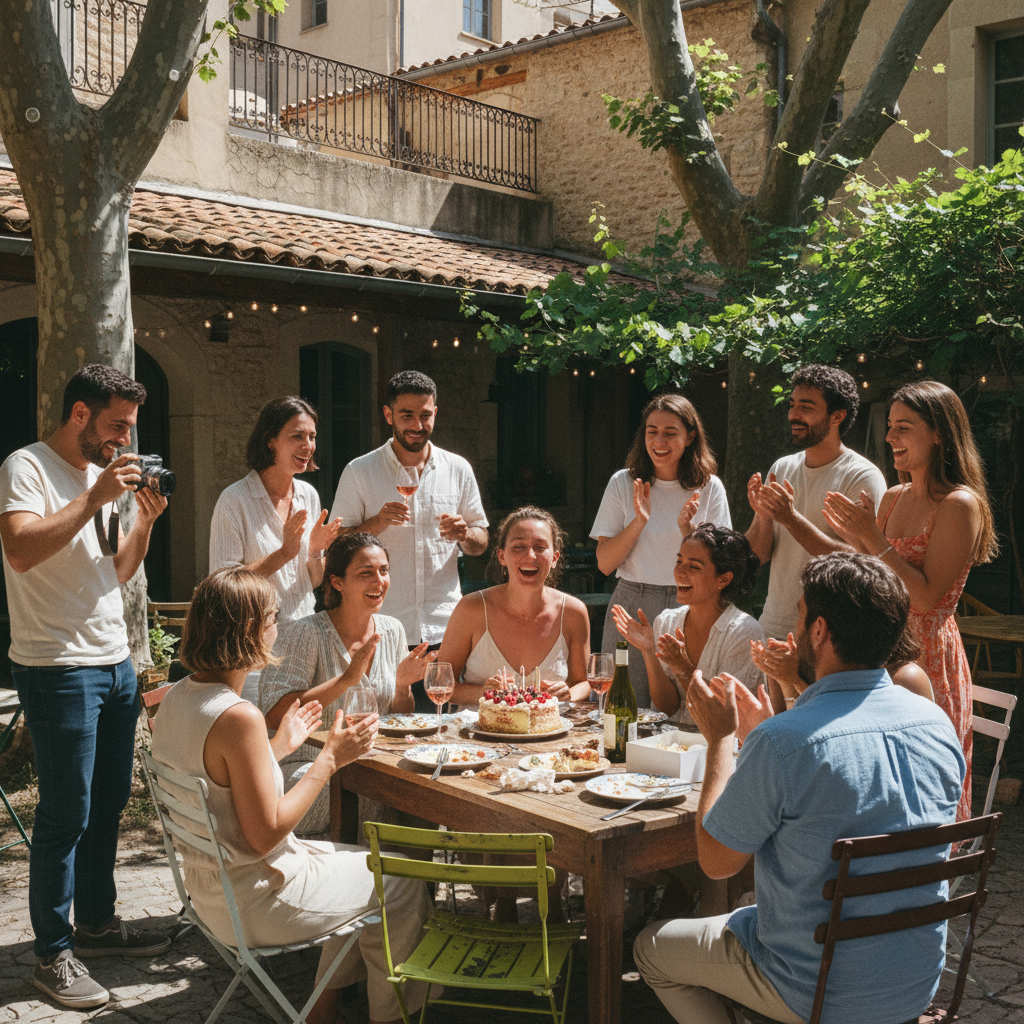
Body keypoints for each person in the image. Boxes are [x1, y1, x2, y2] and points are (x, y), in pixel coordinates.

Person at [634, 553, 965, 1024]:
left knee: (649, 948)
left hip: (815, 988)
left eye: (801, 613)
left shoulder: (785, 741)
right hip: (913, 982)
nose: (796, 624)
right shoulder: (935, 722)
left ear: (819, 630)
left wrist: (721, 738)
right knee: (749, 910)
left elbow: (716, 862)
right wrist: (767, 736)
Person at [151, 567, 433, 1024]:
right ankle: (391, 1017)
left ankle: (321, 1011)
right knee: (403, 882)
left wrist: (279, 746)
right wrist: (329, 760)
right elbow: (265, 836)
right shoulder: (238, 717)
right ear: (250, 630)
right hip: (257, 899)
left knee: (366, 867)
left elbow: (223, 776)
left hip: (210, 893)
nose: (277, 628)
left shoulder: (179, 697)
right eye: (272, 618)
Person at [0, 364, 171, 1009]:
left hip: (114, 662)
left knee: (107, 803)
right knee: (65, 813)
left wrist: (143, 521)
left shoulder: (104, 477)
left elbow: (116, 571)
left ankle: (96, 925)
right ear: (79, 414)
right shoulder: (27, 468)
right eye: (116, 426)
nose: (124, 440)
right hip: (57, 667)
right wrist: (96, 498)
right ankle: (52, 955)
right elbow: (20, 550)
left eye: (129, 428)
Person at [822, 380, 997, 823]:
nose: (890, 437)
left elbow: (925, 596)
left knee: (921, 789)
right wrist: (855, 541)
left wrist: (871, 536)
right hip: (878, 654)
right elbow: (876, 577)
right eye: (890, 426)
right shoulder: (893, 497)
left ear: (938, 433)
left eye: (903, 427)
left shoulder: (960, 504)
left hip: (928, 657)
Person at [330, 371, 488, 710]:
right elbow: (335, 545)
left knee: (442, 726)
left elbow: (481, 541)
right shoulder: (360, 471)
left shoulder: (457, 469)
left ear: (435, 413)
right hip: (382, 629)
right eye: (407, 415)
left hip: (446, 629)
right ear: (388, 415)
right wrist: (374, 524)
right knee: (384, 726)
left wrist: (465, 534)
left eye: (425, 415)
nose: (417, 425)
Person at [258, 532, 435, 834]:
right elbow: (274, 716)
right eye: (366, 573)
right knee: (391, 794)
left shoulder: (392, 630)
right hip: (306, 769)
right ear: (337, 582)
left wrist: (402, 685)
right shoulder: (305, 633)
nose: (379, 581)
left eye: (384, 570)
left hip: (370, 765)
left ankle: (414, 867)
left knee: (426, 789)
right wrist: (345, 680)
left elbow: (397, 718)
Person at [591, 393, 730, 707]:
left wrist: (688, 531)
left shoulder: (709, 487)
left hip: (691, 605)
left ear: (690, 437)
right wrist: (639, 520)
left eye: (670, 432)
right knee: (624, 707)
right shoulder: (623, 482)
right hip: (633, 603)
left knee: (690, 708)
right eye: (652, 431)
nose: (659, 441)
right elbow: (604, 563)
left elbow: (720, 564)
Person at [747, 364, 887, 643]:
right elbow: (758, 555)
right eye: (792, 405)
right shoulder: (782, 468)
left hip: (827, 638)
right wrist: (763, 515)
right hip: (772, 627)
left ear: (837, 416)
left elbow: (864, 564)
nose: (793, 415)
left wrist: (790, 519)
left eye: (806, 407)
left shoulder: (862, 476)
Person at [209, 396, 342, 628]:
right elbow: (224, 587)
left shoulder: (308, 495)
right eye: (297, 436)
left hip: (305, 631)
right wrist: (284, 554)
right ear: (270, 440)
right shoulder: (234, 499)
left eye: (312, 437)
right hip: (257, 636)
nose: (308, 446)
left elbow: (312, 582)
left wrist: (314, 551)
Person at [612, 525, 764, 726]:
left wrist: (682, 667)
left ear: (724, 580)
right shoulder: (666, 621)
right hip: (670, 740)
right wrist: (648, 651)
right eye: (679, 561)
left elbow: (723, 716)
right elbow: (667, 709)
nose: (680, 572)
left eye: (694, 567)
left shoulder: (744, 632)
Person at [439, 506, 592, 706]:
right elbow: (441, 683)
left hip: (549, 725)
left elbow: (584, 683)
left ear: (554, 558)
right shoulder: (471, 608)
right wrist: (483, 693)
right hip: (479, 726)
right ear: (502, 556)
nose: (530, 555)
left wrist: (569, 693)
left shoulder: (573, 612)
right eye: (519, 547)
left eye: (540, 547)